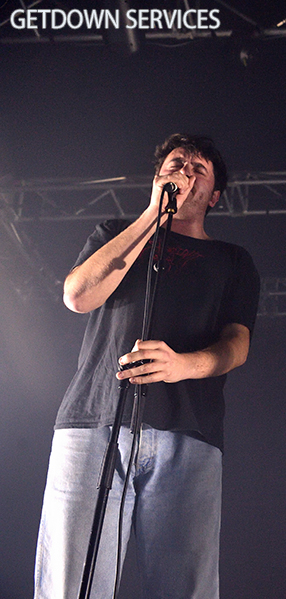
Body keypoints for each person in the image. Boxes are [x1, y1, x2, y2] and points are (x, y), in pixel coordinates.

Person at [34, 134, 260, 598]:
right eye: (176, 163)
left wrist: (181, 365)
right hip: (94, 424)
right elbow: (77, 296)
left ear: (214, 196)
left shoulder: (232, 261)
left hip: (190, 435)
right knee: (70, 584)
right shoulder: (115, 232)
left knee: (185, 588)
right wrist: (150, 216)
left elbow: (237, 346)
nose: (186, 171)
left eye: (199, 168)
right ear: (158, 178)